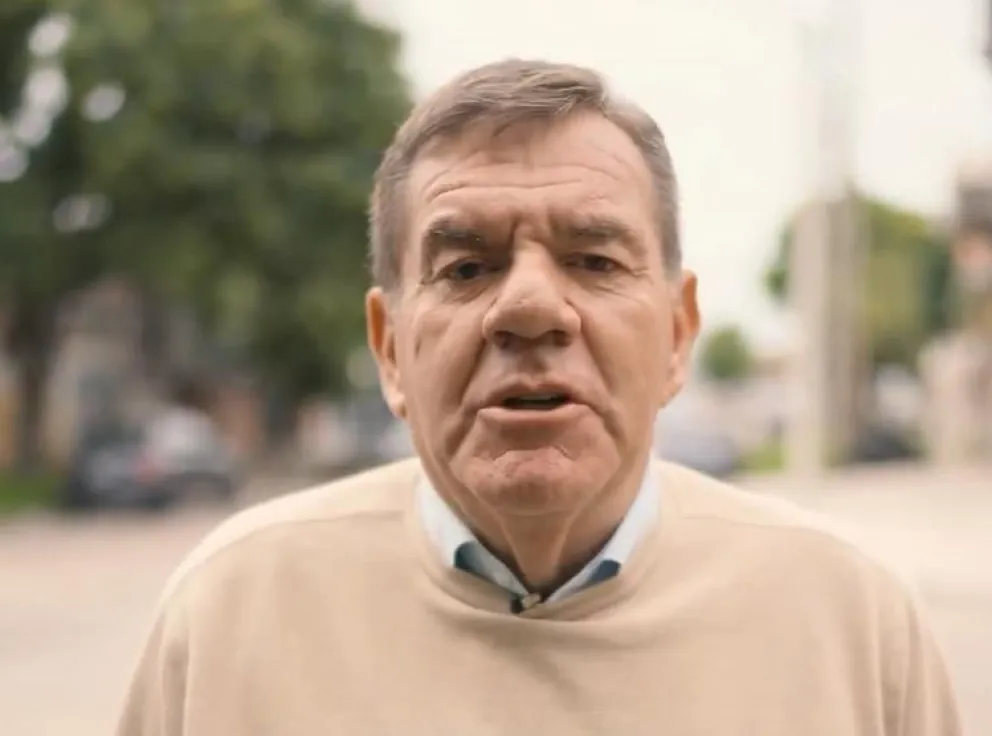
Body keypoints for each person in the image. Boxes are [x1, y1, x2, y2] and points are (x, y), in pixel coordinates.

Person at [117, 59, 960, 736]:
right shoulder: (231, 614)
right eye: (466, 267)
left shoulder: (850, 623)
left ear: (677, 333)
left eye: (594, 261)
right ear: (390, 348)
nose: (529, 309)